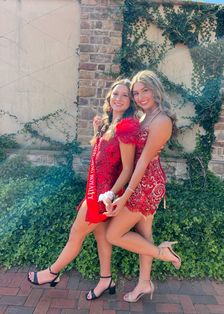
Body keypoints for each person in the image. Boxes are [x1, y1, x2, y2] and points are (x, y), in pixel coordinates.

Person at [28, 78, 140, 300]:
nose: (119, 98)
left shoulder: (126, 128)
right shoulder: (109, 123)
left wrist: (110, 194)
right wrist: (97, 130)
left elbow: (127, 169)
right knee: (101, 237)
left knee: (76, 235)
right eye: (115, 94)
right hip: (95, 189)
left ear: (130, 102)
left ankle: (51, 273)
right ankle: (106, 280)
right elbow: (101, 156)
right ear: (109, 97)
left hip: (104, 195)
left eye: (125, 95)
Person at [105, 70, 181, 302]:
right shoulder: (143, 117)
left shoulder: (161, 120)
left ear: (155, 89)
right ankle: (144, 284)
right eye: (136, 93)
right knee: (144, 235)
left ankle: (163, 253)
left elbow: (144, 160)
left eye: (144, 90)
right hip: (140, 179)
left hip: (148, 183)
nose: (139, 97)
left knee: (113, 234)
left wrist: (125, 196)